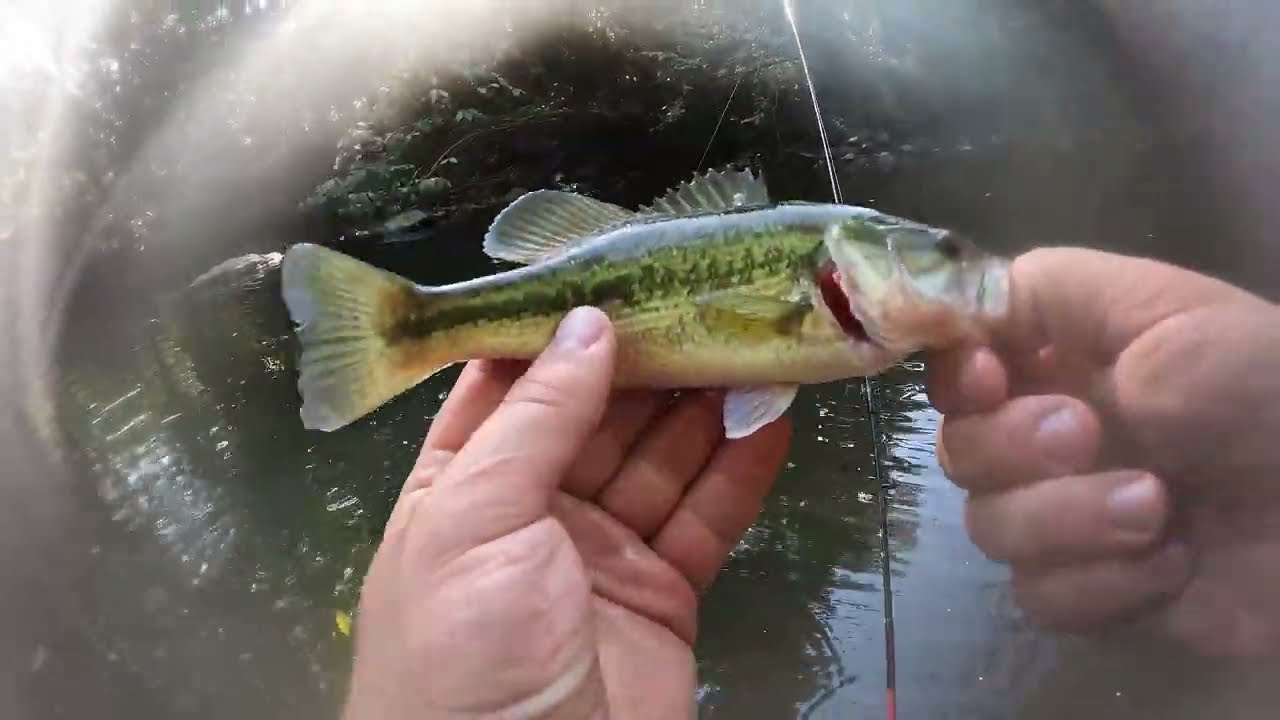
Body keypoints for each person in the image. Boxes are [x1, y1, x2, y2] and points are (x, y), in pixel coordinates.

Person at [340, 247, 1280, 718]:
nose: (963, 270)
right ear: (845, 267)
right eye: (939, 254)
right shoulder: (811, 286)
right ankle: (409, 325)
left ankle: (413, 324)